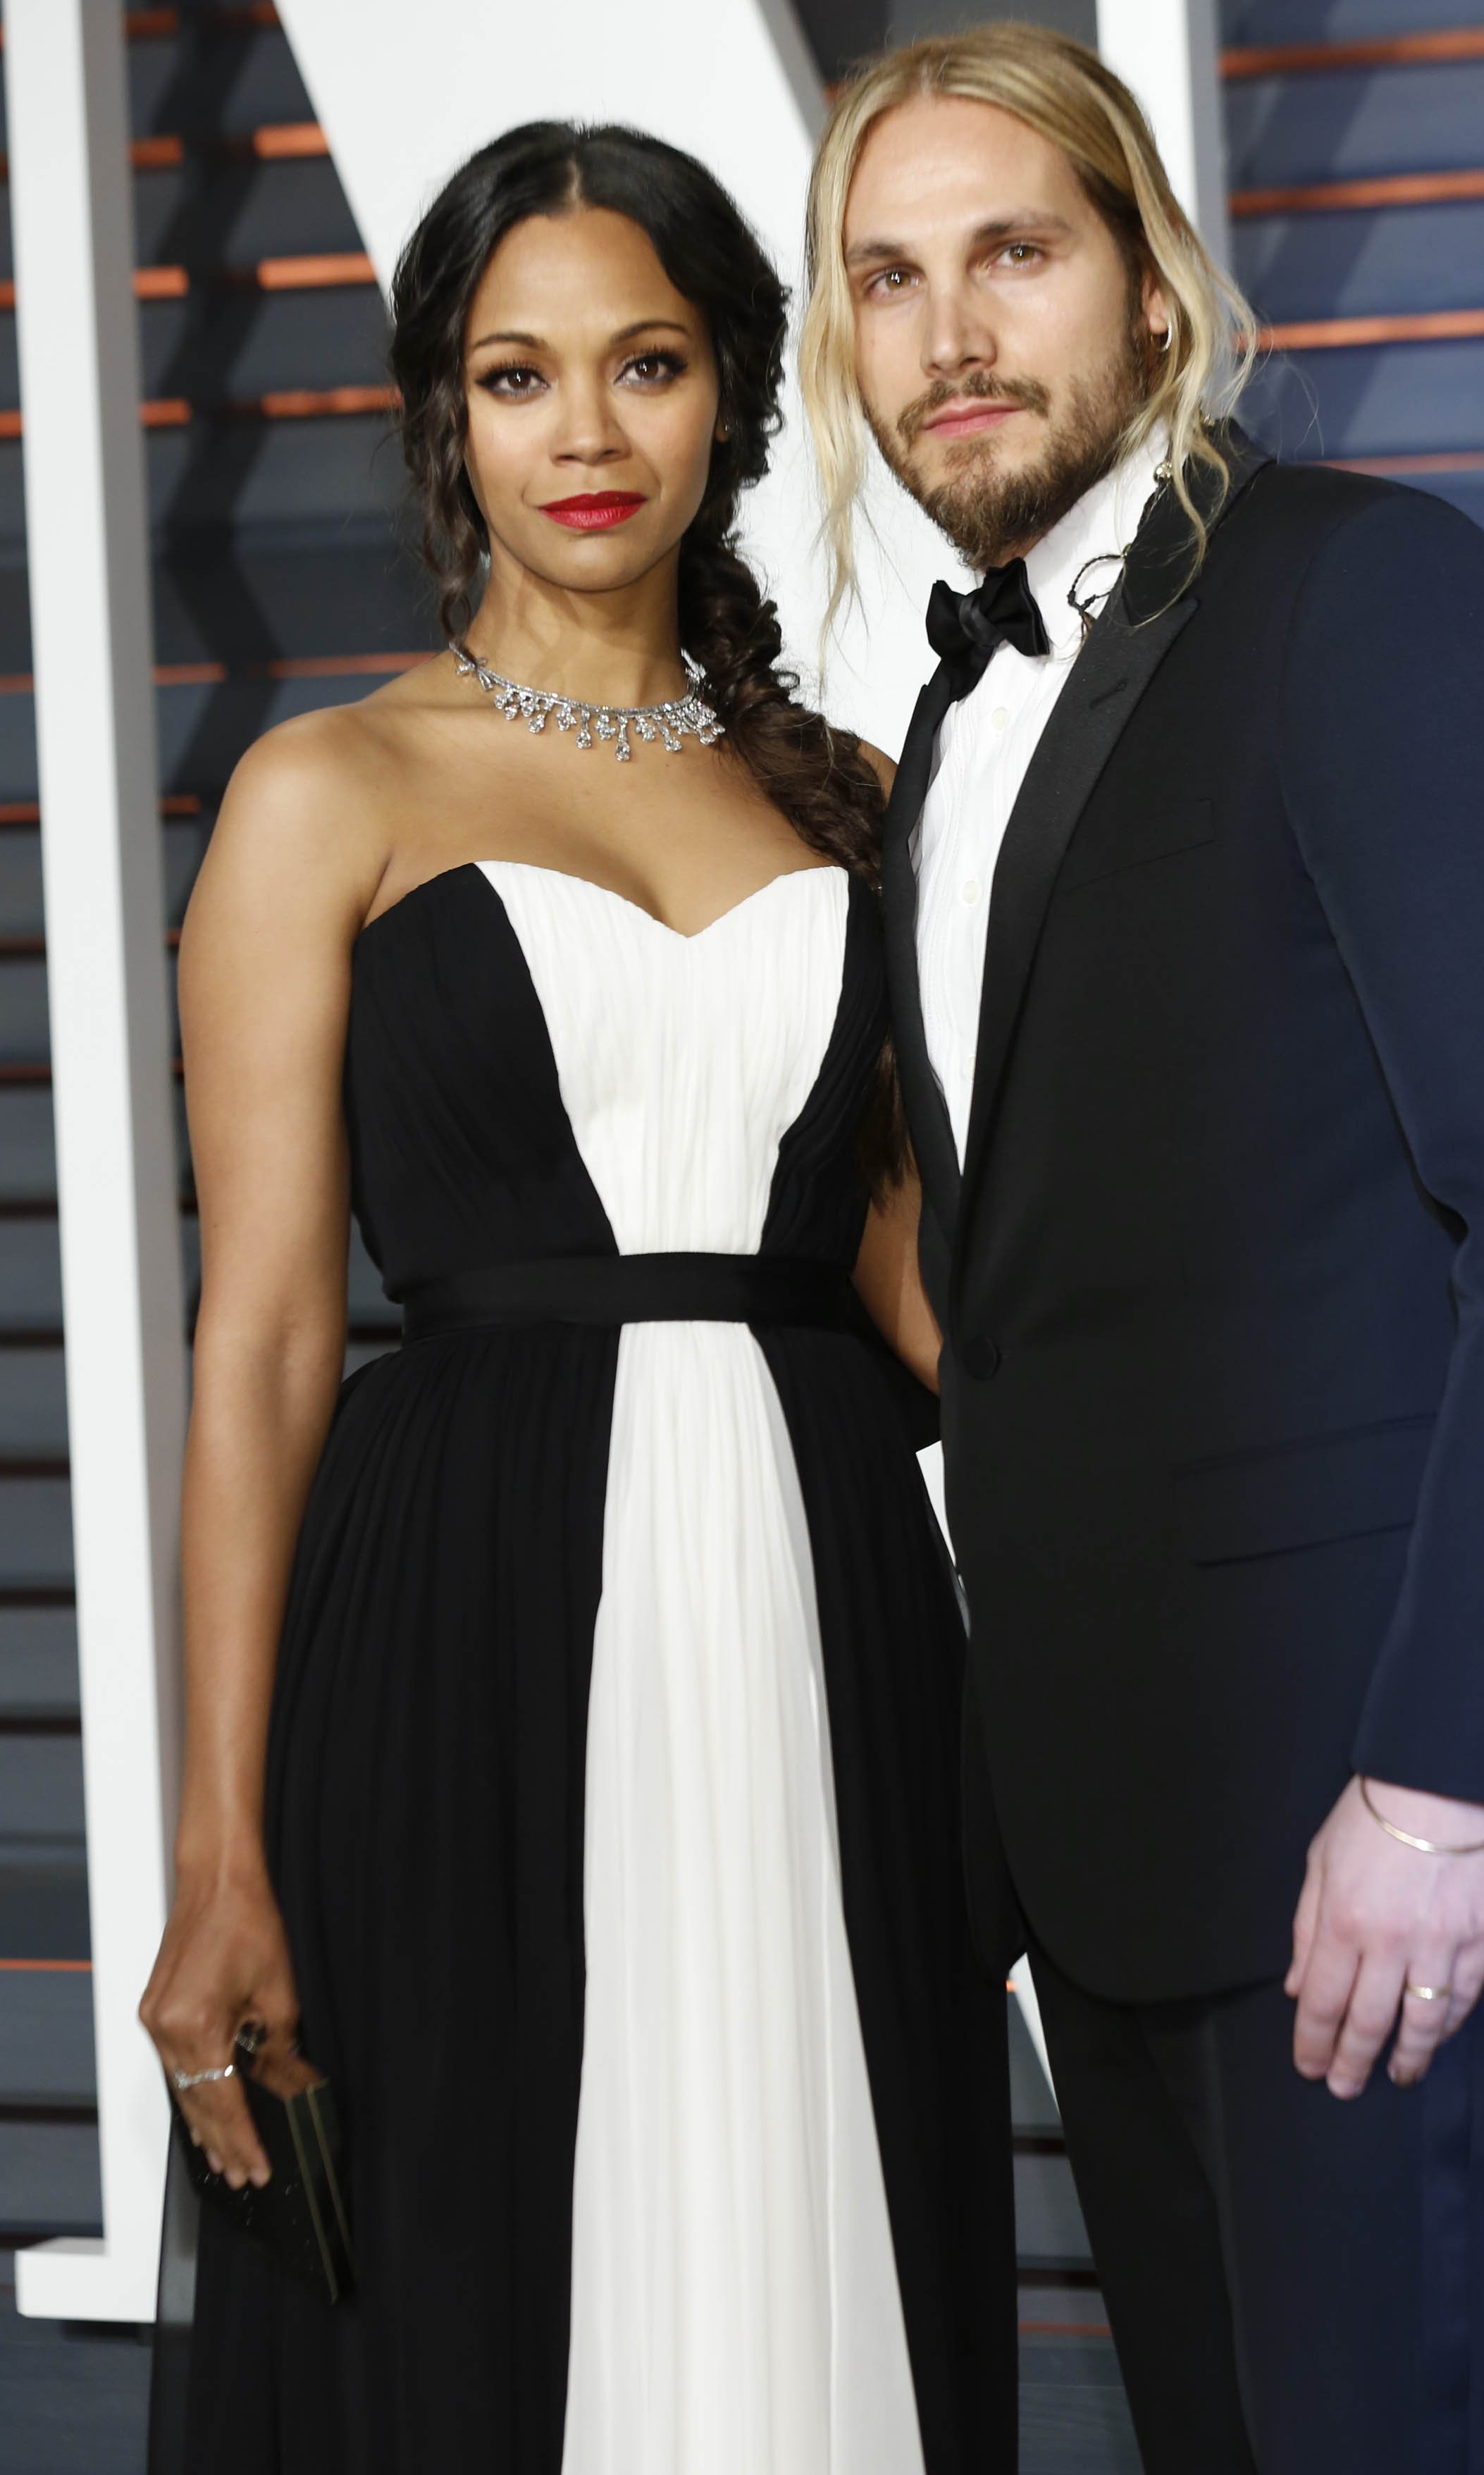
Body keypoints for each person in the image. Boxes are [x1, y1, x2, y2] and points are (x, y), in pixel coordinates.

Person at [800, 22, 1484, 2475]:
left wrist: (1437, 1784)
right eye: (888, 279)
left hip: (1359, 1833)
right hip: (1108, 1841)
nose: (953, 334)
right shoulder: (946, 731)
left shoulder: (1360, 596)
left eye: (1015, 253)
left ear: (1155, 294)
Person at [138, 120, 1015, 2475]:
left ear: (732, 385)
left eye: (642, 364)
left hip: (836, 1619)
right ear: (450, 414)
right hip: (461, 1628)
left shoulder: (849, 790)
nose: (587, 435)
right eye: (519, 379)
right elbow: (267, 1342)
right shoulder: (327, 790)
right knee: (474, 2272)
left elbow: (931, 1280)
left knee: (836, 2224)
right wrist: (218, 1850)